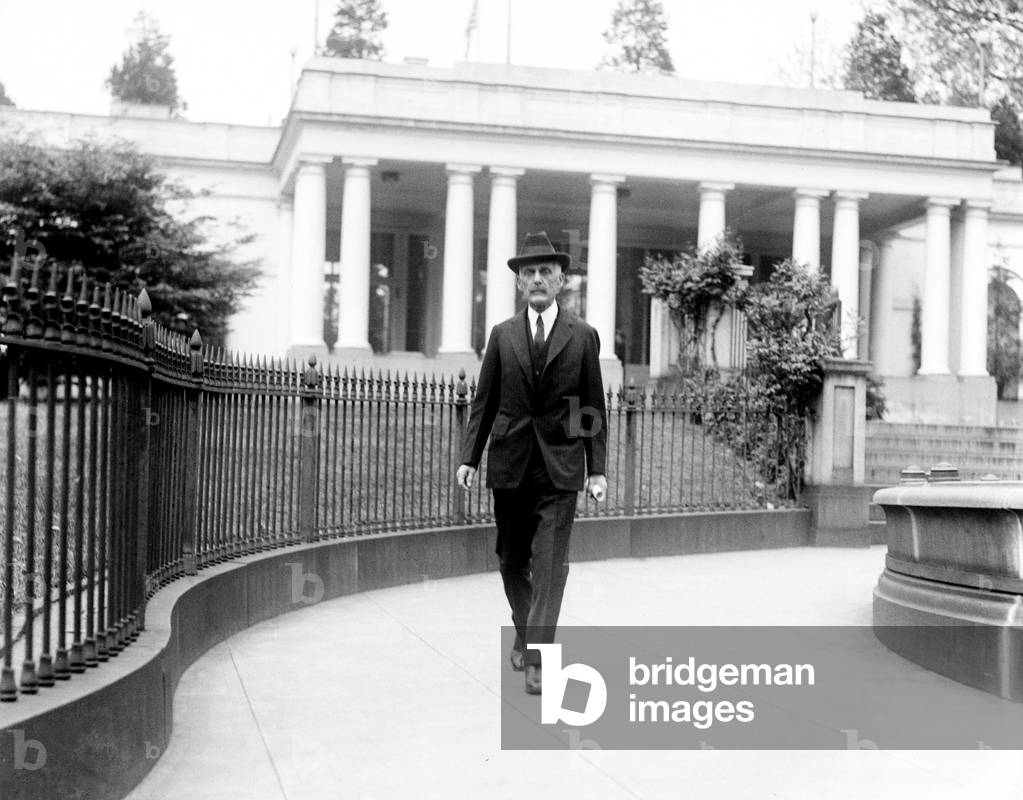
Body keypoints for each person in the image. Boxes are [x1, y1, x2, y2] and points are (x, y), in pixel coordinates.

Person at [456, 231, 608, 695]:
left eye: (546, 271)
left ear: (561, 280)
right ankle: (526, 634)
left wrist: (597, 469)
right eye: (529, 272)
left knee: (550, 566)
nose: (537, 279)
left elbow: (590, 407)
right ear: (520, 283)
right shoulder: (502, 335)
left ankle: (539, 658)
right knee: (511, 561)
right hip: (511, 463)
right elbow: (484, 401)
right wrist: (469, 457)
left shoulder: (583, 336)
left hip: (560, 466)